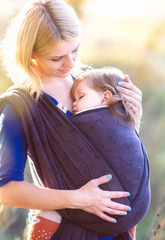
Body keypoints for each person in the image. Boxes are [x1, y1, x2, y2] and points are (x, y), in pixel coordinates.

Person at [0, 0, 144, 239]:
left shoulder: (91, 83)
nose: (71, 63)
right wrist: (78, 200)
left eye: (75, 50)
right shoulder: (19, 105)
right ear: (31, 56)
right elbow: (8, 190)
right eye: (57, 58)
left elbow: (115, 152)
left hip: (116, 230)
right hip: (64, 229)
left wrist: (133, 115)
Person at [28, 67, 151, 240]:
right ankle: (129, 230)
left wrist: (63, 121)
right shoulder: (122, 119)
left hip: (112, 208)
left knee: (50, 210)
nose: (74, 104)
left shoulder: (95, 122)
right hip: (137, 207)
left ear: (105, 97)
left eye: (81, 96)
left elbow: (69, 147)